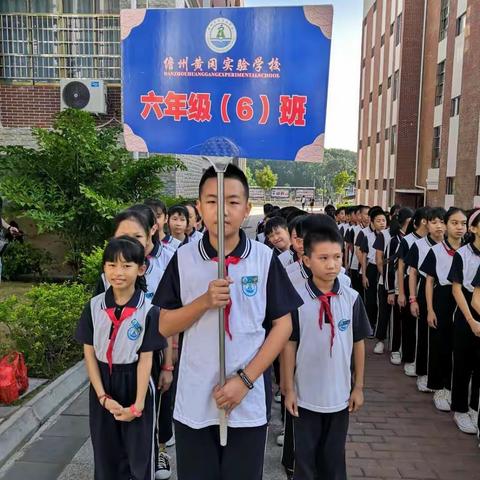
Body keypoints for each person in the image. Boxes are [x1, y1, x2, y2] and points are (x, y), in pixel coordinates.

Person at [154, 164, 303, 480]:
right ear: (199, 207)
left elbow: (283, 325)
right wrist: (203, 303)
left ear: (248, 208)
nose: (222, 210)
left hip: (246, 401)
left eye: (233, 202)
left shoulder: (264, 259)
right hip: (194, 400)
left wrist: (245, 381)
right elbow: (164, 325)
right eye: (212, 201)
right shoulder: (184, 259)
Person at [283, 223, 371, 480]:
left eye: (337, 257)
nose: (331, 264)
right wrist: (288, 389)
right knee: (305, 462)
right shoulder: (296, 299)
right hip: (305, 398)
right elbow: (289, 345)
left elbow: (358, 343)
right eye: (323, 258)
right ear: (307, 260)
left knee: (334, 462)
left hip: (340, 397)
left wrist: (358, 387)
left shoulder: (351, 298)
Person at [75, 236, 167, 480]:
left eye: (127, 266)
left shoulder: (149, 311)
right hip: (103, 383)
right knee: (105, 454)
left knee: (139, 456)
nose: (118, 272)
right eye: (112, 265)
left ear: (141, 269)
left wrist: (137, 406)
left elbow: (146, 359)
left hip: (136, 381)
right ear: (104, 268)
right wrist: (102, 396)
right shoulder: (94, 306)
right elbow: (89, 353)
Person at [421, 207, 467, 411]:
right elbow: (429, 282)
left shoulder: (468, 250)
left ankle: (453, 388)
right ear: (446, 226)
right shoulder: (436, 250)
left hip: (465, 298)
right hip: (442, 298)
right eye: (454, 223)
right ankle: (439, 388)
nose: (459, 228)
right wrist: (430, 309)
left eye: (463, 223)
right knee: (440, 344)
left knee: (459, 347)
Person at [448, 209, 480, 434]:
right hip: (466, 309)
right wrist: (471, 320)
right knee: (463, 362)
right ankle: (460, 409)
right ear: (474, 228)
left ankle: (475, 407)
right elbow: (457, 288)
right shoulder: (463, 254)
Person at [396, 207, 430, 377]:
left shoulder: (438, 241)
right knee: (410, 324)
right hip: (411, 283)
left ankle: (420, 361)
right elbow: (401, 268)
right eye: (434, 220)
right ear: (424, 221)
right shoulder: (408, 241)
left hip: (428, 285)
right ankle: (409, 358)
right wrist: (401, 293)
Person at [384, 207, 414, 365]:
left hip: (410, 288)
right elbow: (389, 266)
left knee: (408, 323)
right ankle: (395, 349)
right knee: (396, 320)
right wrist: (390, 291)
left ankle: (406, 350)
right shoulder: (395, 240)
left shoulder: (414, 240)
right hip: (396, 287)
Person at [357, 207, 387, 332]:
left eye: (384, 220)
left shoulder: (388, 236)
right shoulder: (367, 236)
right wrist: (364, 275)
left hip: (384, 269)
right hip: (371, 268)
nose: (382, 223)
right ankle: (370, 325)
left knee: (381, 299)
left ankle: (379, 326)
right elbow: (363, 257)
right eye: (378, 221)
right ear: (373, 222)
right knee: (370, 299)